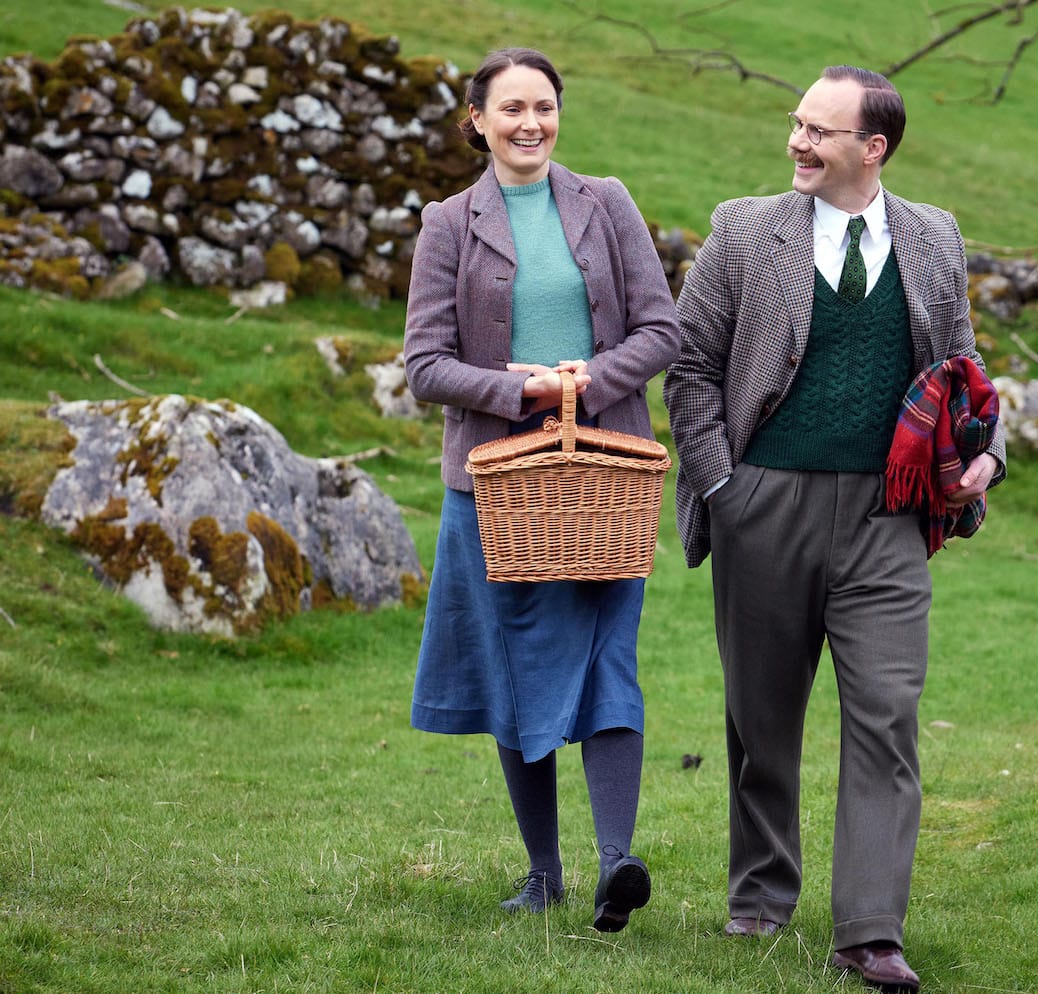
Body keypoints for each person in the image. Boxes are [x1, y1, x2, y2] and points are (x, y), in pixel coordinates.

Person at [663, 65, 1005, 991]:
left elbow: (965, 374)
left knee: (887, 717)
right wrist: (725, 490)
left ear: (873, 147)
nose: (798, 143)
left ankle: (868, 930)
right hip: (763, 503)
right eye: (796, 124)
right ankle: (762, 896)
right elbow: (690, 368)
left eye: (819, 131)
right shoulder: (743, 229)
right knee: (761, 719)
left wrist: (987, 454)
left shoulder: (933, 236)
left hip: (888, 520)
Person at [403, 47, 680, 933]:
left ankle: (616, 865)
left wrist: (586, 380)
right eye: (512, 109)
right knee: (515, 677)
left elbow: (660, 328)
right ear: (477, 120)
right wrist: (516, 391)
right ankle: (544, 871)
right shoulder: (449, 223)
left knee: (610, 657)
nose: (532, 124)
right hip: (496, 490)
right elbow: (424, 364)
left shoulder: (609, 202)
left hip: (606, 475)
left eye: (546, 107)